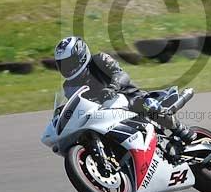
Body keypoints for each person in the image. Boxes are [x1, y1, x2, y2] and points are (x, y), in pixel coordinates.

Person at [54, 36, 195, 143]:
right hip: (101, 113)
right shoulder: (68, 86)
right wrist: (61, 112)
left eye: (69, 62)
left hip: (128, 98)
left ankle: (181, 131)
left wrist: (113, 87)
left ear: (81, 56)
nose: (66, 68)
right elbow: (73, 103)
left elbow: (121, 74)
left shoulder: (100, 60)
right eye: (62, 64)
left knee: (149, 105)